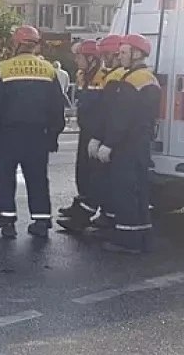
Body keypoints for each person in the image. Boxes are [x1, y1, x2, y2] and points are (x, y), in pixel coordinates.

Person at [0, 26, 67, 239]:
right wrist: (53, 135)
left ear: (16, 44)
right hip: (38, 135)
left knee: (5, 178)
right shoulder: (48, 70)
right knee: (37, 179)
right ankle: (42, 221)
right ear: (36, 45)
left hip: (10, 135)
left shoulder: (5, 68)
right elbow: (57, 106)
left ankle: (8, 223)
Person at [95, 34, 161, 254]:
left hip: (128, 144)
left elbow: (122, 117)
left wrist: (108, 143)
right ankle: (142, 234)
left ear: (136, 54)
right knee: (139, 190)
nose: (119, 56)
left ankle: (127, 238)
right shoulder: (147, 78)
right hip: (140, 143)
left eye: (123, 52)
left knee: (125, 190)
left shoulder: (133, 81)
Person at [57, 40, 107, 232]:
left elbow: (104, 110)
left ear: (92, 59)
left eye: (79, 57)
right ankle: (80, 203)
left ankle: (85, 213)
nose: (76, 60)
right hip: (86, 130)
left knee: (94, 174)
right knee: (82, 171)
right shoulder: (81, 75)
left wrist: (99, 136)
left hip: (96, 133)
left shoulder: (103, 76)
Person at [85, 34, 127, 232]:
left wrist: (104, 140)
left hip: (116, 138)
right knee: (108, 179)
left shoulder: (117, 77)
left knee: (110, 179)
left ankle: (110, 218)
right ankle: (108, 215)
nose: (104, 59)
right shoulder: (117, 75)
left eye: (106, 55)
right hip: (113, 136)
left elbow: (110, 113)